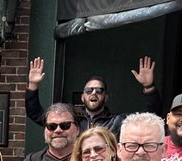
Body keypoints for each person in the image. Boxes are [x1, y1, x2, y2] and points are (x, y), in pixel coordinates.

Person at [27, 55, 161, 138]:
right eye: (89, 90)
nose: (93, 93)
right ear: (82, 97)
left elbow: (152, 117)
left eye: (99, 90)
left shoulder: (118, 122)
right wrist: (33, 84)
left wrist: (148, 87)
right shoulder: (72, 121)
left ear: (106, 97)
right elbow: (35, 113)